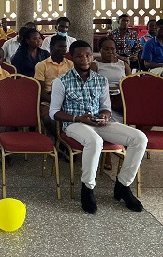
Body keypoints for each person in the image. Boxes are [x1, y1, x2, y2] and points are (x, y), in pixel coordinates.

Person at [50, 40, 147, 214]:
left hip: (99, 122)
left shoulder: (100, 80)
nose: (85, 59)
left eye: (87, 55)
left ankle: (123, 185)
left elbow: (105, 107)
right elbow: (54, 112)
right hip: (75, 123)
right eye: (79, 56)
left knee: (139, 138)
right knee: (94, 141)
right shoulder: (62, 82)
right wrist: (78, 117)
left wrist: (105, 116)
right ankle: (88, 188)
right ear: (71, 58)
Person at [92, 37, 131, 170]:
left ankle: (127, 143)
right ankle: (108, 152)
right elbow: (93, 85)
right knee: (106, 116)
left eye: (112, 49)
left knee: (145, 111)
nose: (110, 52)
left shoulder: (122, 64)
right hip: (103, 96)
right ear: (100, 50)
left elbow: (130, 83)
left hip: (121, 96)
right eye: (106, 49)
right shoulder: (95, 64)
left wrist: (120, 90)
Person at [34, 35, 73, 135]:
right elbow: (40, 91)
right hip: (48, 98)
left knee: (77, 117)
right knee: (48, 119)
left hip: (69, 98)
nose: (64, 50)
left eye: (65, 47)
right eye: (60, 47)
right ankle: (59, 140)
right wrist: (56, 101)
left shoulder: (71, 65)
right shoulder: (41, 65)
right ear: (51, 48)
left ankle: (67, 140)